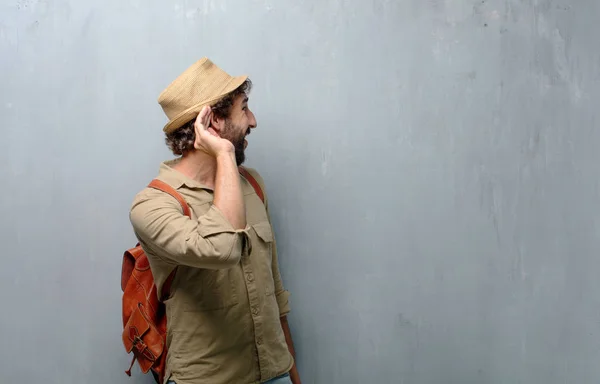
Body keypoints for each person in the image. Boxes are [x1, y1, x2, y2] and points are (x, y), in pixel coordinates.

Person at [129, 58, 301, 384]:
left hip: (274, 373)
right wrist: (223, 154)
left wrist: (291, 373)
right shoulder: (152, 205)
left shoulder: (253, 185)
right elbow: (222, 248)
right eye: (244, 109)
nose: (253, 121)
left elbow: (274, 293)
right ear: (213, 123)